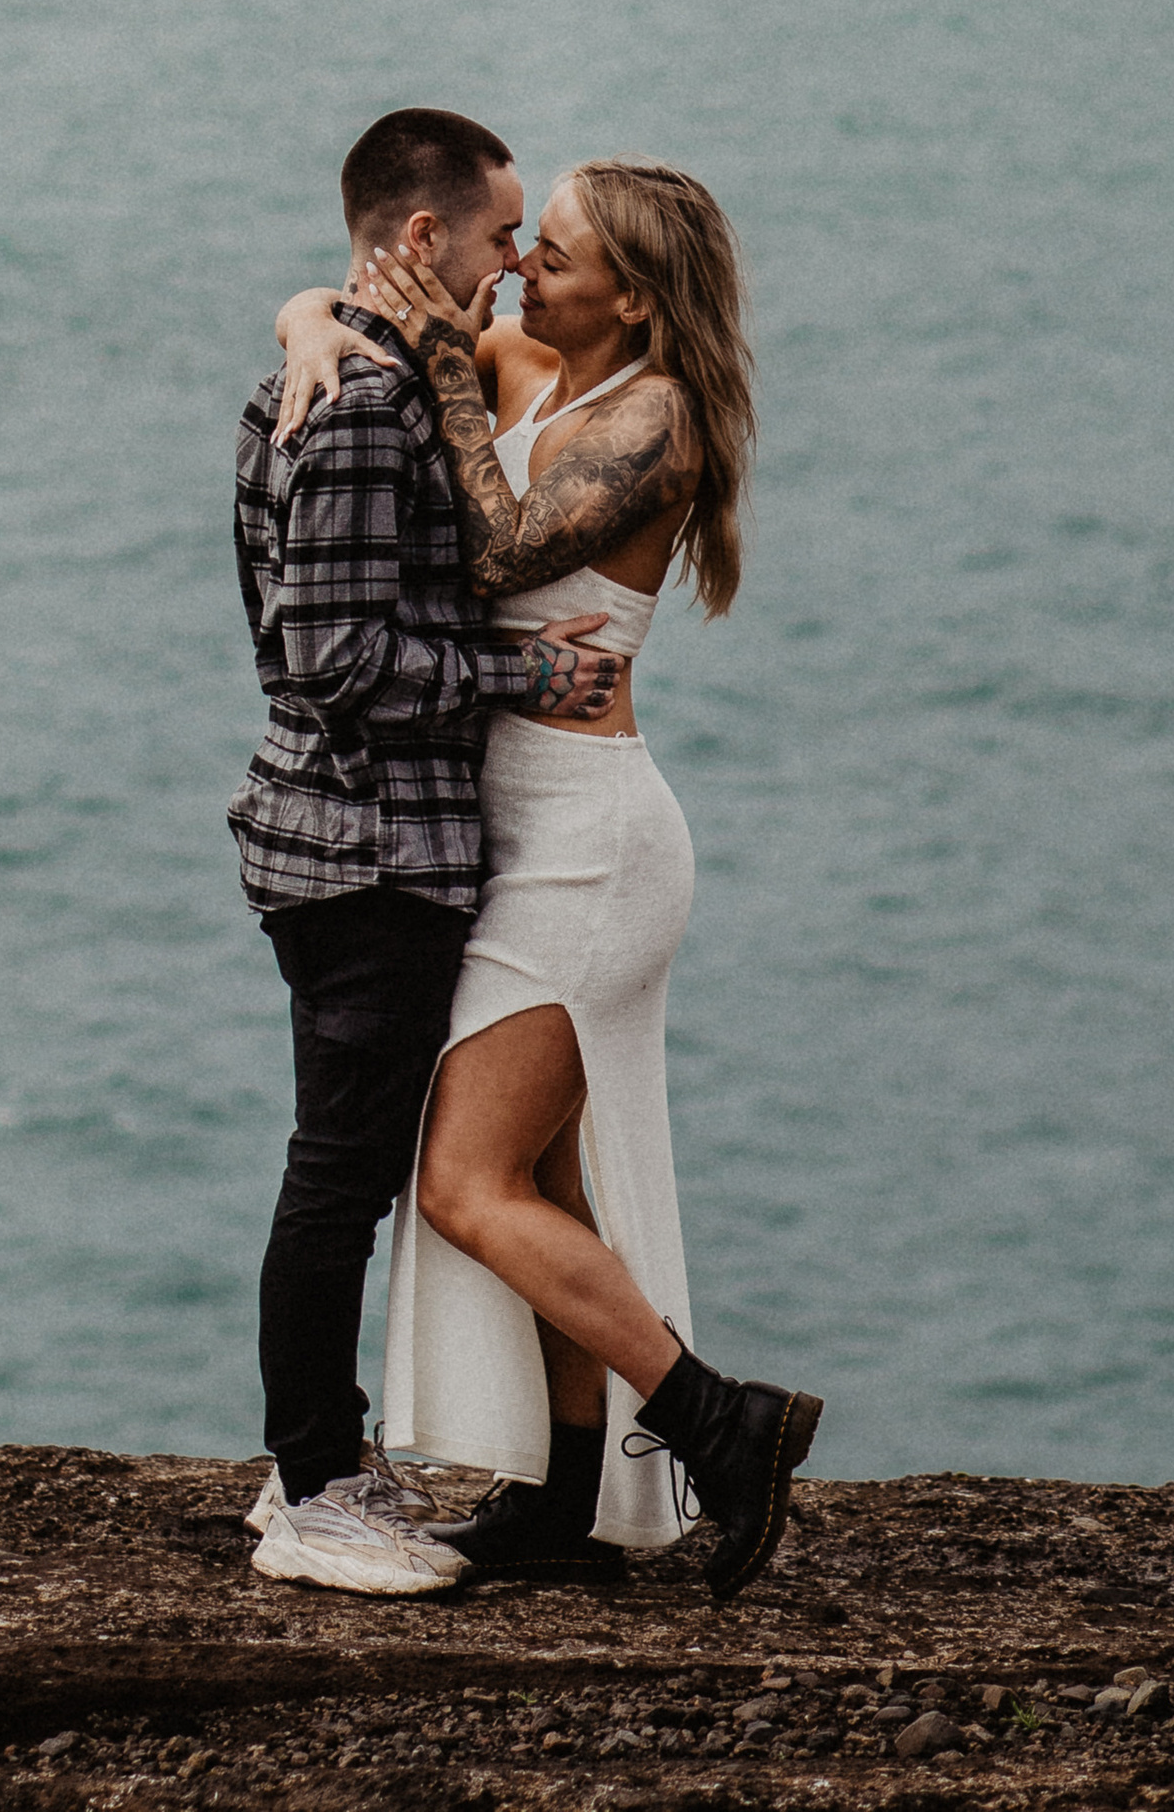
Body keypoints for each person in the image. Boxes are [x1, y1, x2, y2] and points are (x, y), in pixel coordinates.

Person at [273, 157, 823, 1604]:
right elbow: (361, 301)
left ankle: (718, 1419)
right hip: (505, 827)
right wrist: (305, 324)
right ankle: (570, 1498)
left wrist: (448, 365)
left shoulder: (657, 422)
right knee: (546, 1177)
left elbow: (501, 542)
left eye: (557, 254)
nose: (522, 271)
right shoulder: (518, 352)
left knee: (462, 1182)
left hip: (589, 841)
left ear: (635, 297)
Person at [231, 109, 628, 1601]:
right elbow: (332, 657)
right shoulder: (359, 406)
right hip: (365, 848)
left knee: (347, 1174)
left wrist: (311, 306)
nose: (512, 261)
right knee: (336, 1178)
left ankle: (328, 1461)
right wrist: (521, 681)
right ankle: (313, 1486)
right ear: (419, 238)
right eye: (497, 235)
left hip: (349, 835)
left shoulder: (340, 367)